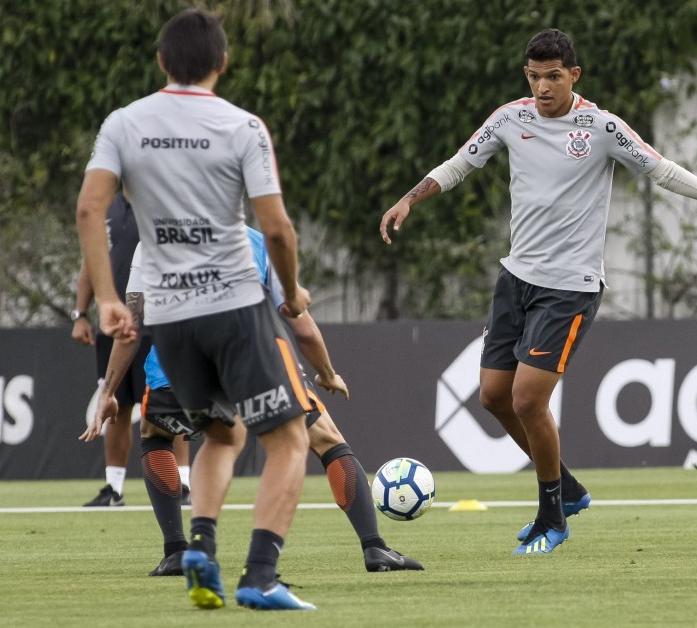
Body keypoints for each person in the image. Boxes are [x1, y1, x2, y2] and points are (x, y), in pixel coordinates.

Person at [379, 28, 697, 556]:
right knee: (492, 397)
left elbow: (662, 170)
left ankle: (553, 515)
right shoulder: (510, 117)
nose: (543, 87)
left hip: (569, 288)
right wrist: (411, 199)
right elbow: (461, 161)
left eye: (553, 76)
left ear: (574, 75)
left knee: (528, 399)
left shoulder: (601, 128)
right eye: (534, 76)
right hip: (516, 279)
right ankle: (567, 488)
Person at [77, 8, 317, 611]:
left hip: (168, 316)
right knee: (288, 439)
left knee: (222, 431)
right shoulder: (242, 126)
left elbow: (88, 212)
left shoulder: (123, 124)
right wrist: (290, 292)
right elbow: (277, 229)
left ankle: (201, 552)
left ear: (160, 62)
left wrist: (106, 300)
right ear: (222, 63)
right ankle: (260, 575)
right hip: (234, 303)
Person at [82, 229, 423, 577]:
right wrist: (327, 373)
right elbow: (301, 327)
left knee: (156, 436)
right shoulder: (257, 240)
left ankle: (177, 551)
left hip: (179, 368)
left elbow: (131, 326)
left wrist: (109, 391)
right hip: (253, 361)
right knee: (325, 439)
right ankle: (373, 547)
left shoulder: (151, 244)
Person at [71, 192, 192, 508]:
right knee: (116, 405)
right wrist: (80, 313)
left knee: (168, 402)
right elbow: (90, 260)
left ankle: (184, 483)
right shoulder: (104, 206)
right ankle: (114, 488)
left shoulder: (161, 199)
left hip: (156, 323)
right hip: (112, 324)